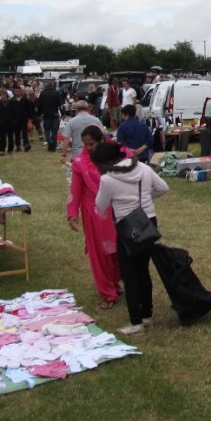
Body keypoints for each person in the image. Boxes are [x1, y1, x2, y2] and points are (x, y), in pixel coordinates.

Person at [93, 141, 169, 335]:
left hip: (127, 226)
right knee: (143, 270)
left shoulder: (108, 179)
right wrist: (145, 198)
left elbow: (100, 205)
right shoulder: (142, 167)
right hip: (148, 220)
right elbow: (163, 187)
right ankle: (147, 315)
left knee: (130, 274)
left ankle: (136, 322)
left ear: (107, 162)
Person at [67, 125, 123, 309]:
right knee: (99, 254)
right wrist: (72, 214)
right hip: (94, 212)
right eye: (85, 144)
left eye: (91, 143)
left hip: (118, 209)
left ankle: (115, 281)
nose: (88, 147)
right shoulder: (80, 162)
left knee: (119, 251)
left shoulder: (117, 155)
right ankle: (108, 293)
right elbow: (75, 189)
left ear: (101, 140)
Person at [61, 100, 104, 166]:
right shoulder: (96, 120)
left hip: (77, 153)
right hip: (94, 153)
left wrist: (63, 155)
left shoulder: (72, 121)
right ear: (87, 109)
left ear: (76, 109)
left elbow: (66, 139)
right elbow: (103, 135)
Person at [36, 80, 64, 152]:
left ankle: (49, 141)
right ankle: (53, 147)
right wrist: (62, 113)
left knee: (47, 130)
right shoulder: (57, 93)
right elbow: (61, 104)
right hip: (55, 114)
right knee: (54, 131)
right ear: (53, 86)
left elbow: (39, 105)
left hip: (46, 115)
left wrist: (39, 114)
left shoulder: (42, 94)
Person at [0, 88, 19, 157]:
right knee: (2, 137)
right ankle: (1, 150)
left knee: (10, 136)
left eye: (4, 95)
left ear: (6, 95)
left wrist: (14, 121)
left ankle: (10, 149)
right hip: (1, 122)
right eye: (1, 95)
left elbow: (15, 112)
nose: (3, 96)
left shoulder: (11, 103)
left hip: (10, 122)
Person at [13, 85, 35, 152]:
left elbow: (29, 109)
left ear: (20, 91)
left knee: (24, 132)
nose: (17, 92)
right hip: (15, 119)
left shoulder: (25, 100)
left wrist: (30, 118)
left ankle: (26, 144)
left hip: (24, 118)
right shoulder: (12, 100)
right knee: (17, 133)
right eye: (16, 91)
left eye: (18, 91)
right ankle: (18, 145)